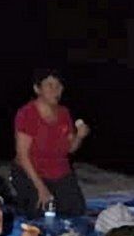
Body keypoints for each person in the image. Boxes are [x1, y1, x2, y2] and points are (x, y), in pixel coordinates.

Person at [12, 67, 90, 217]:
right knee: (42, 213)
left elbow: (70, 149)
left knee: (76, 212)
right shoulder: (27, 113)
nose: (56, 90)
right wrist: (41, 188)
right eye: (50, 85)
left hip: (59, 171)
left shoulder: (64, 113)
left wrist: (80, 136)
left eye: (59, 86)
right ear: (37, 88)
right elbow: (22, 155)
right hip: (30, 172)